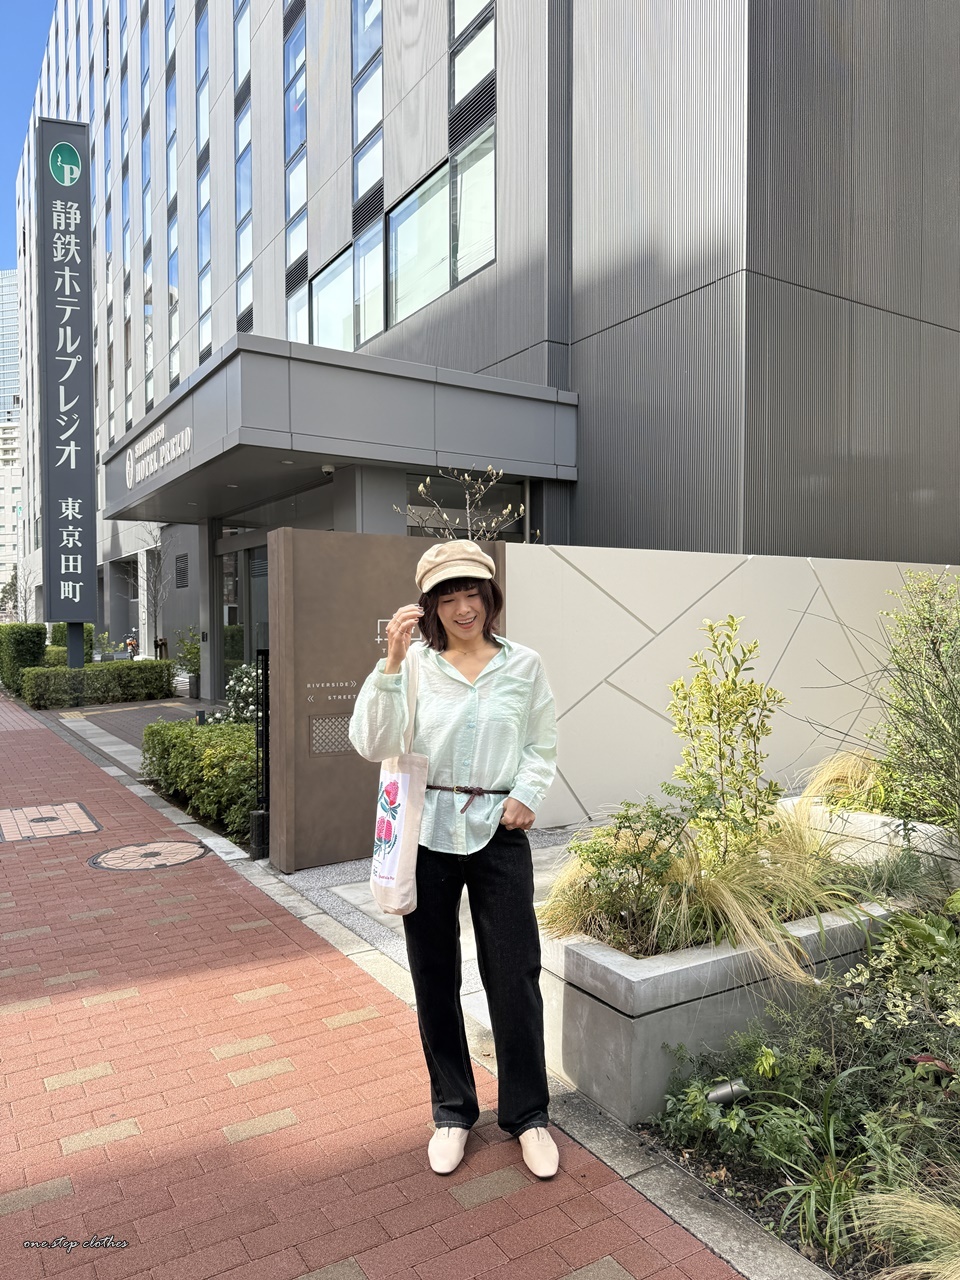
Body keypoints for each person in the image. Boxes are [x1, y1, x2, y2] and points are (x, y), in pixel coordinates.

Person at [349, 540, 560, 1178]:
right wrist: (390, 662)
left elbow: (541, 742)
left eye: (473, 594)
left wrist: (527, 793)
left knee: (515, 974)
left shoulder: (523, 665)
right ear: (430, 606)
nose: (463, 608)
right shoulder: (411, 665)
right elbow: (372, 742)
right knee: (434, 976)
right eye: (448, 597)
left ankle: (528, 1115)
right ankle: (452, 1112)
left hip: (499, 830)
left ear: (490, 598)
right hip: (428, 830)